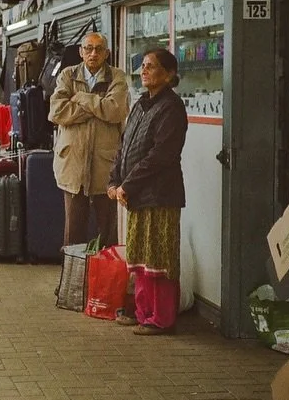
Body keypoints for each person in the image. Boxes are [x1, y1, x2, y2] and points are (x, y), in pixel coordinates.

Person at [107, 48, 188, 336]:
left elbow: (161, 155)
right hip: (137, 196)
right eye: (142, 65)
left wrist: (128, 185)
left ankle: (161, 319)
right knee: (140, 257)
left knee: (159, 259)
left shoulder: (172, 107)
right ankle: (143, 314)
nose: (143, 71)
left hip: (160, 196)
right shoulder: (141, 104)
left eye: (150, 66)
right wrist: (114, 181)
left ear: (168, 74)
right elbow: (124, 147)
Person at [48, 32, 129, 248]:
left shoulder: (116, 77)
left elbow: (115, 111)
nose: (93, 53)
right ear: (81, 52)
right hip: (72, 165)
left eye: (99, 49)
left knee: (108, 232)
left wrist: (82, 98)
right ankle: (73, 271)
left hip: (106, 166)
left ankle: (106, 271)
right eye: (88, 48)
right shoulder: (68, 75)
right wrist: (98, 107)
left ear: (107, 53)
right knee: (74, 232)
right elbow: (56, 112)